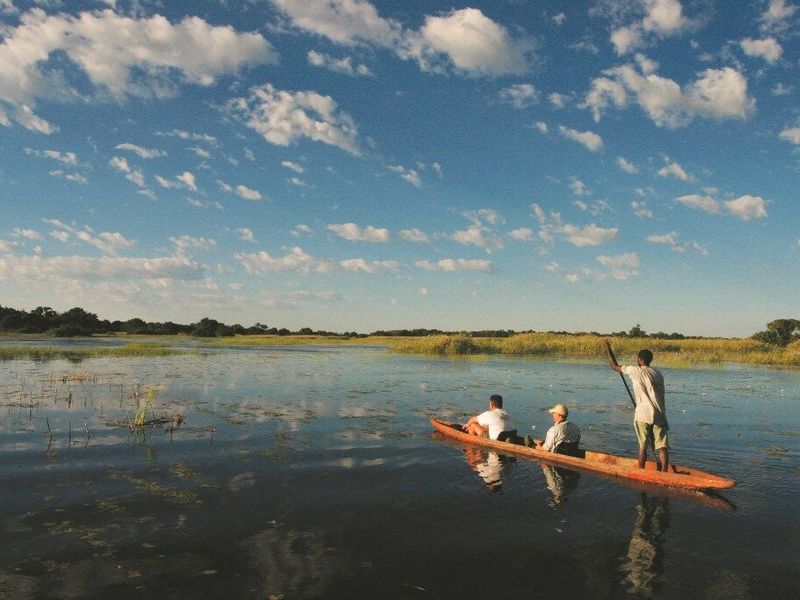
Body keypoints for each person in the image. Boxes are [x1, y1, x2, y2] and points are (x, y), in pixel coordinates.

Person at [603, 340, 669, 471]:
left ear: (640, 359)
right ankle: (665, 472)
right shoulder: (658, 373)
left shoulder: (635, 370)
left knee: (643, 445)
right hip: (659, 414)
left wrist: (608, 351)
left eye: (637, 359)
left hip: (643, 414)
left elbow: (614, 366)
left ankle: (641, 471)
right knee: (662, 445)